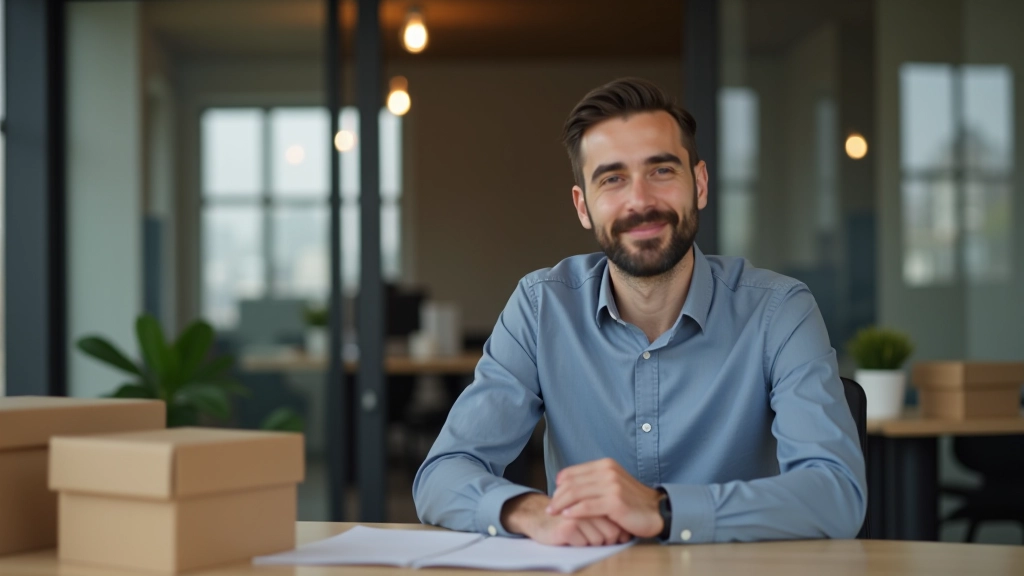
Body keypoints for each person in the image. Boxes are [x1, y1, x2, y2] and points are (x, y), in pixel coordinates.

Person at [412, 78, 866, 546]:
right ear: (583, 206)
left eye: (662, 171)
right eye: (612, 179)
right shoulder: (540, 306)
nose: (640, 200)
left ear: (701, 184)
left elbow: (836, 495)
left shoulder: (779, 310)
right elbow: (442, 475)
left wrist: (663, 510)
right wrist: (530, 512)